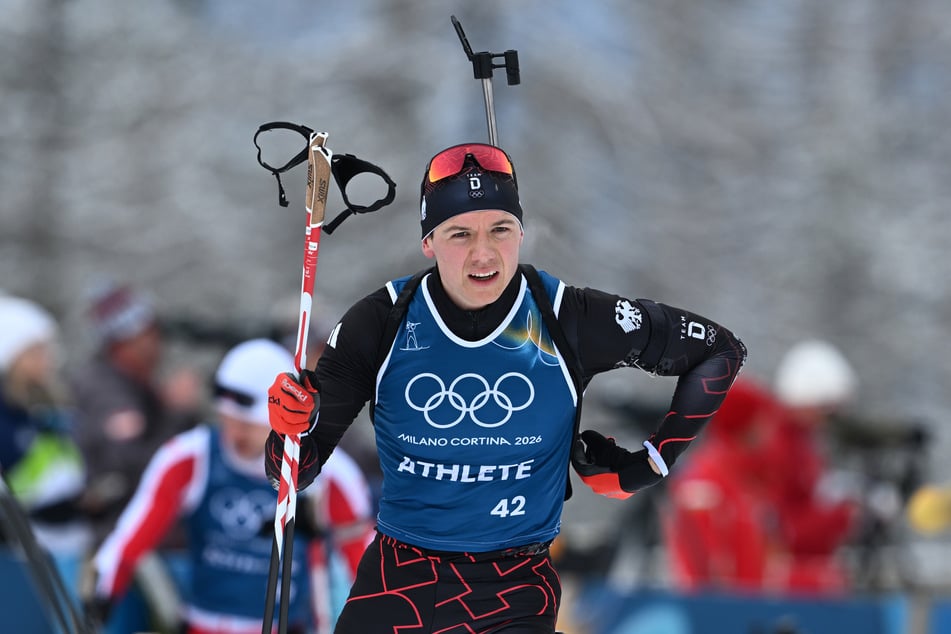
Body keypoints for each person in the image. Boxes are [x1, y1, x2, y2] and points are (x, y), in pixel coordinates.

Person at [264, 142, 748, 632]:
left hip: (513, 589)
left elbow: (720, 350)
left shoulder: (568, 317)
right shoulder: (381, 322)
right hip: (400, 579)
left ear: (521, 232)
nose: (484, 253)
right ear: (428, 242)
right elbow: (291, 473)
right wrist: (289, 425)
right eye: (460, 234)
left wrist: (647, 465)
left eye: (500, 229)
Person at [91, 338, 375, 634]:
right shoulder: (190, 458)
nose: (234, 434)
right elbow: (130, 538)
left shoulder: (325, 472)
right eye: (227, 420)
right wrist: (102, 592)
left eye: (248, 425)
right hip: (204, 625)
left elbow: (366, 559)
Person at [69, 281, 204, 548]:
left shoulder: (133, 382)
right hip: (132, 543)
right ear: (119, 343)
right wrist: (178, 413)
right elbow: (135, 463)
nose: (155, 343)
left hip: (147, 536)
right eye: (145, 335)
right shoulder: (106, 390)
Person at [0, 293, 91, 599]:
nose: (47, 359)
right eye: (36, 352)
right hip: (21, 557)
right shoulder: (6, 418)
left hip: (67, 543)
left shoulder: (47, 407)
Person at [662, 377, 779, 594]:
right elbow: (700, 567)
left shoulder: (745, 475)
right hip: (717, 616)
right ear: (744, 422)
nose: (768, 430)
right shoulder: (706, 482)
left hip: (747, 612)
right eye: (761, 419)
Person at [762, 339, 860, 594]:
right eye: (825, 407)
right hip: (782, 580)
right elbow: (781, 531)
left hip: (800, 567)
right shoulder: (777, 444)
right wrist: (846, 515)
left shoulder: (804, 442)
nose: (828, 417)